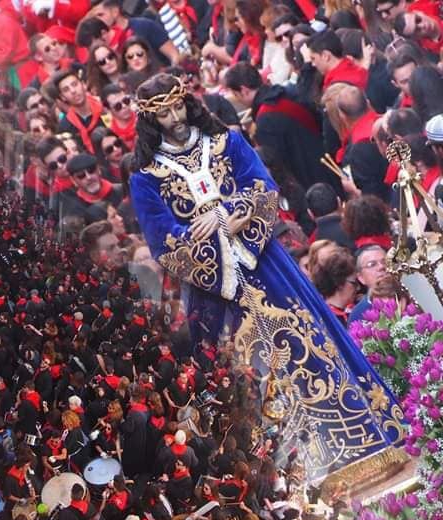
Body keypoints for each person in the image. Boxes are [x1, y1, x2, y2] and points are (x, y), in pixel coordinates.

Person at [129, 73, 404, 485]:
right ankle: (302, 480)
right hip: (215, 292)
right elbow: (163, 240)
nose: (174, 117)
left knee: (312, 347)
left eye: (178, 106)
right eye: (164, 113)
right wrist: (217, 242)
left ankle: (366, 440)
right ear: (151, 120)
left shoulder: (226, 142)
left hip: (266, 264)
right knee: (253, 380)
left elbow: (263, 187)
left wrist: (228, 214)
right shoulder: (145, 177)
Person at [224, 62, 337, 191]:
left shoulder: (266, 120)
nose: (237, 99)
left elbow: (278, 166)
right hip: (324, 162)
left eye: (236, 95)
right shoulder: (287, 92)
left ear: (244, 91)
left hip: (308, 179)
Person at [348, 245, 388, 324]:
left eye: (385, 262)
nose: (381, 267)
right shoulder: (358, 315)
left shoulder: (409, 297)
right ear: (361, 278)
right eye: (372, 264)